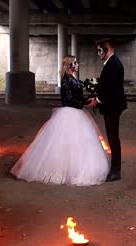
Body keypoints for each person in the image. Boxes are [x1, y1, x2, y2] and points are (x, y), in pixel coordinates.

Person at [10, 55, 109, 186]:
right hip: (70, 113)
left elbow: (80, 91)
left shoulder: (73, 79)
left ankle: (73, 169)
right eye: (75, 63)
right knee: (65, 143)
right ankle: (65, 171)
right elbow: (68, 100)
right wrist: (85, 102)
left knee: (77, 143)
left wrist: (93, 91)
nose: (77, 64)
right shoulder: (66, 81)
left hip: (77, 113)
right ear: (69, 66)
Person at [86, 39, 127, 182]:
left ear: (106, 49)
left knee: (113, 138)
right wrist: (96, 96)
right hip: (112, 105)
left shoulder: (113, 64)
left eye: (99, 50)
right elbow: (106, 85)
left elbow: (111, 88)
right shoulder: (112, 63)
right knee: (112, 137)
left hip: (113, 106)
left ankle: (116, 171)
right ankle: (115, 170)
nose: (98, 54)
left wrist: (98, 100)